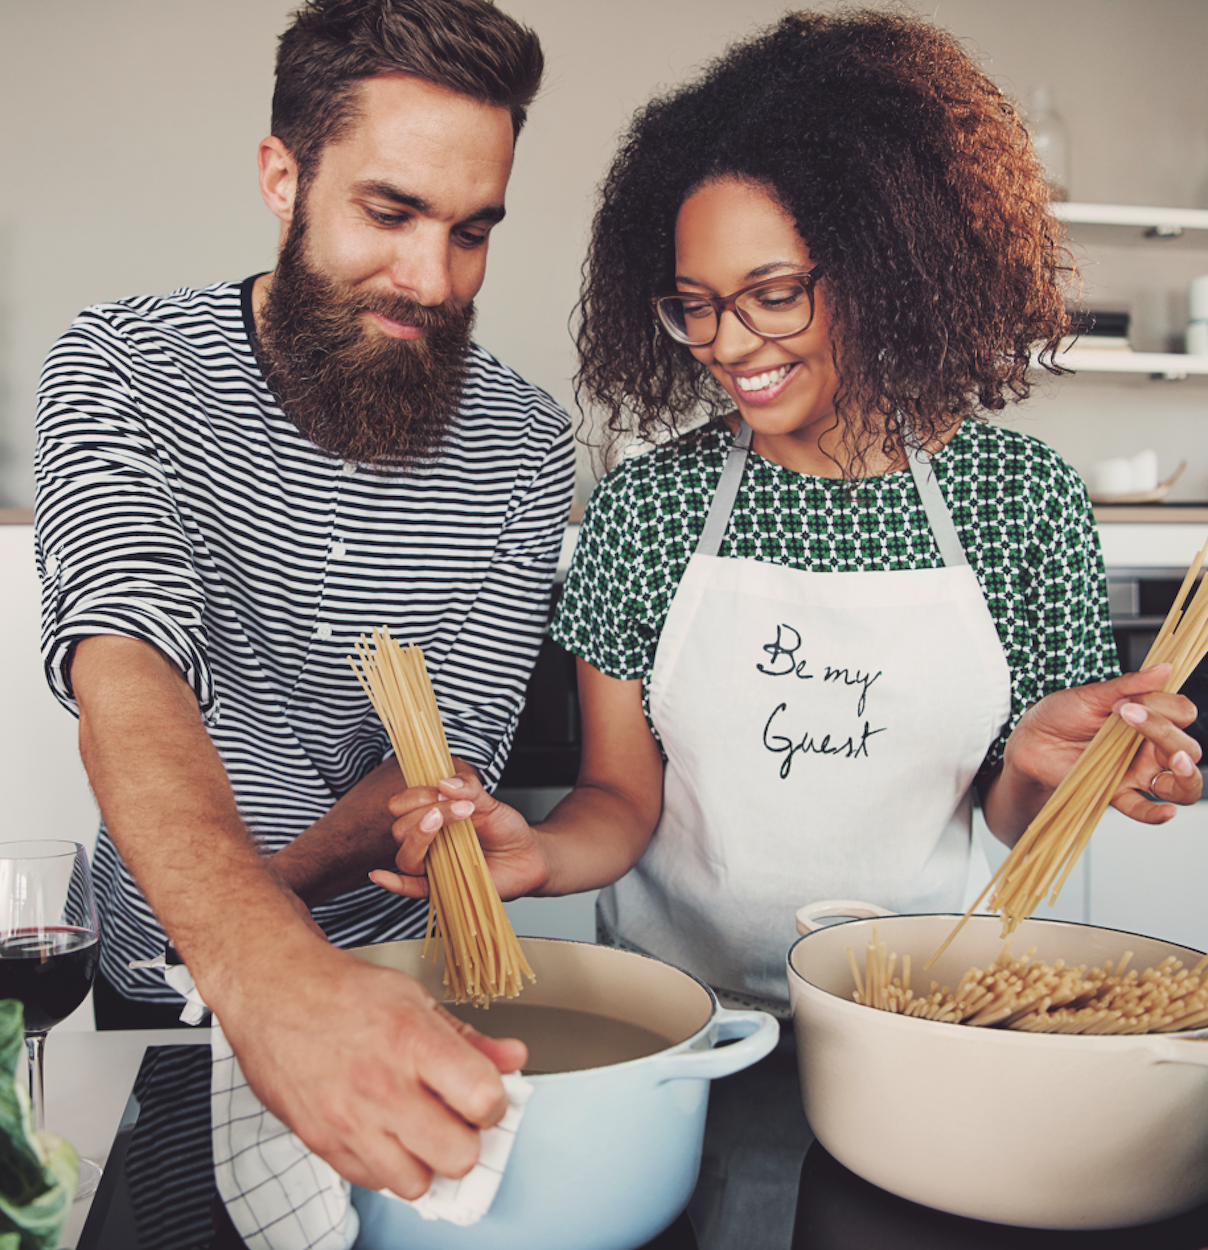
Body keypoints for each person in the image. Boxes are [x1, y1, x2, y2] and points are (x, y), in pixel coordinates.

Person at [376, 9, 1203, 1242]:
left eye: (770, 295)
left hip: (928, 1038)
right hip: (685, 1038)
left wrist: (1052, 764)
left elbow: (1010, 817)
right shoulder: (653, 510)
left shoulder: (1019, 501)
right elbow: (621, 799)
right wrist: (538, 853)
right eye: (695, 306)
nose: (729, 347)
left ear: (889, 259)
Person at [34, 0, 573, 1199]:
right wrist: (261, 966)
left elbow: (444, 759)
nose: (432, 278)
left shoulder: (528, 443)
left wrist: (278, 931)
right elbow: (127, 672)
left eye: (472, 230)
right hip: (169, 979)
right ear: (283, 176)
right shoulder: (122, 366)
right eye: (389, 212)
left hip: (403, 980)